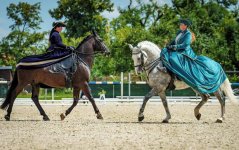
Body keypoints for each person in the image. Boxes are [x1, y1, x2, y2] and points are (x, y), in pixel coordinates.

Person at [160, 19, 226, 94]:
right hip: (178, 50)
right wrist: (169, 45)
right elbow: (174, 41)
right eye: (180, 24)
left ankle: (175, 75)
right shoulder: (179, 32)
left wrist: (174, 47)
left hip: (185, 52)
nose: (180, 26)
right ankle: (166, 68)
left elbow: (184, 45)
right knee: (164, 51)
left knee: (172, 58)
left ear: (186, 26)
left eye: (181, 25)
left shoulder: (188, 34)